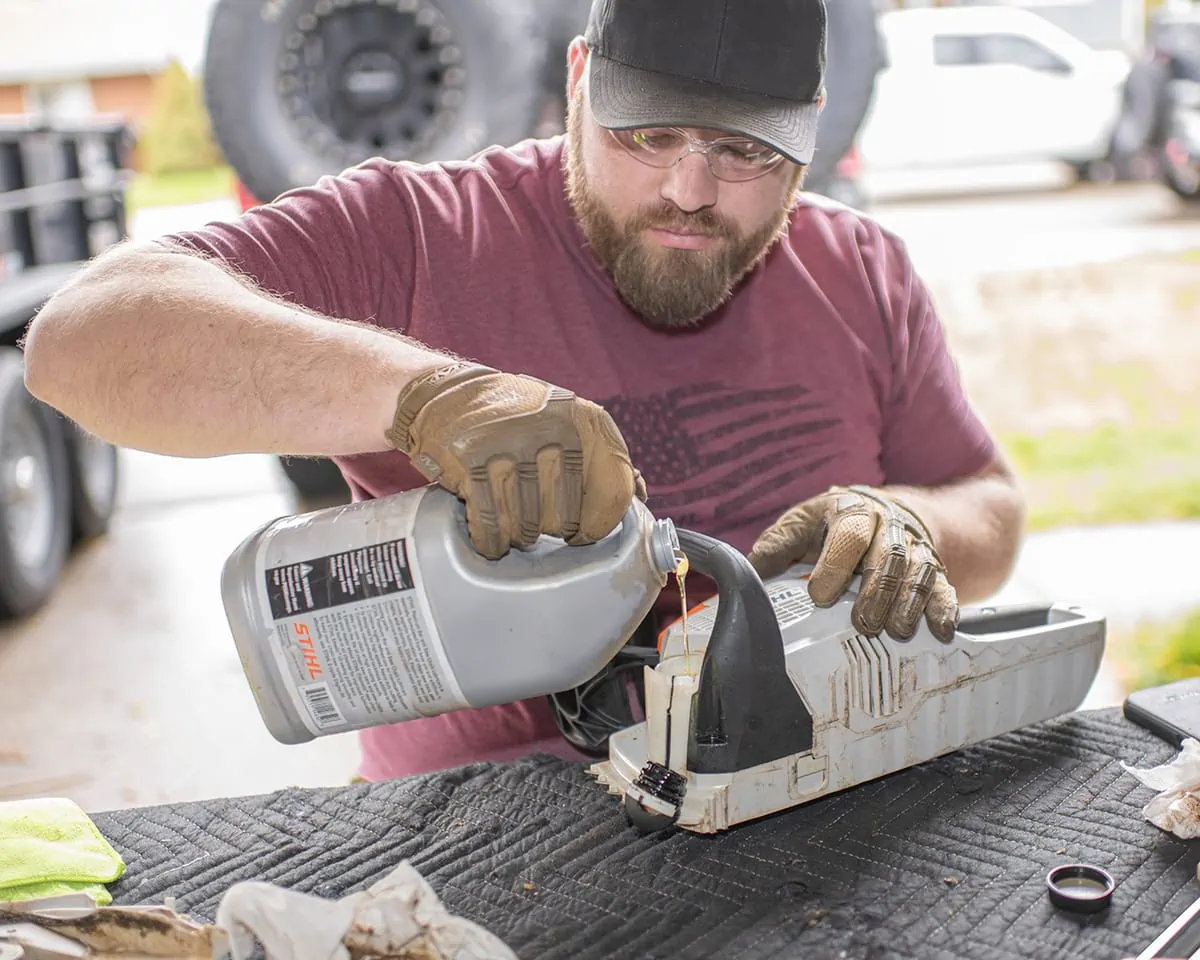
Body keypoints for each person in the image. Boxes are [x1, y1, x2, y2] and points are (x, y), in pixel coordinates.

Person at [22, 0, 1025, 781]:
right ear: (579, 79)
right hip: (475, 854)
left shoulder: (862, 272)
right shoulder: (415, 236)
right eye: (646, 136)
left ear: (811, 133)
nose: (689, 189)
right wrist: (426, 394)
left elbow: (991, 502)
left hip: (818, 802)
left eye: (744, 152)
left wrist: (910, 526)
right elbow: (80, 341)